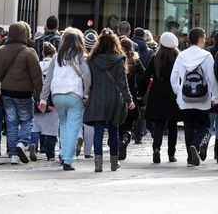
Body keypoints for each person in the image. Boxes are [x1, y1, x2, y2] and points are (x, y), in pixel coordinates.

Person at [0, 22, 42, 164]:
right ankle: (22, 143)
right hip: (24, 93)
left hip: (6, 92)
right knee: (27, 120)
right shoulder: (29, 52)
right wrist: (40, 96)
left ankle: (13, 155)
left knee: (11, 123)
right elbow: (36, 77)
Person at [39, 28, 91, 170]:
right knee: (73, 126)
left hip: (57, 96)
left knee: (63, 124)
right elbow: (87, 76)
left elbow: (48, 79)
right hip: (74, 95)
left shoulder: (56, 57)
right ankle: (68, 159)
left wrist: (43, 99)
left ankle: (62, 153)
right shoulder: (81, 56)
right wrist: (86, 93)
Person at [83, 28, 135, 172]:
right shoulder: (119, 59)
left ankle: (98, 164)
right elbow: (122, 83)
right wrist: (129, 100)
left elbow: (88, 80)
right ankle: (113, 162)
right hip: (113, 99)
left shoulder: (91, 60)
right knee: (114, 130)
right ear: (114, 43)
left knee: (98, 131)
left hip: (97, 98)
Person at [170, 27, 218, 167]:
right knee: (205, 126)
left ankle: (190, 159)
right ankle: (195, 146)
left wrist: (178, 92)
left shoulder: (181, 55)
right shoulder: (206, 56)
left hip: (185, 98)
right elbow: (212, 78)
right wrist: (215, 95)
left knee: (188, 126)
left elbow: (174, 77)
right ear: (200, 39)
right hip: (203, 99)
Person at [138, 32, 182, 163]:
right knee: (173, 125)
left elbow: (145, 77)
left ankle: (156, 149)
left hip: (157, 93)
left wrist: (140, 92)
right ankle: (171, 154)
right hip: (173, 93)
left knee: (159, 123)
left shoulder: (155, 58)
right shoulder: (178, 58)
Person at [31, 41, 59, 162]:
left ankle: (33, 144)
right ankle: (50, 153)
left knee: (35, 125)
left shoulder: (37, 65)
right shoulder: (55, 66)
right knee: (51, 129)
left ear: (42, 53)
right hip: (51, 101)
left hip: (38, 100)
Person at [118, 37, 145, 160]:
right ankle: (125, 138)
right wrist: (140, 90)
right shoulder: (135, 60)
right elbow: (144, 74)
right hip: (132, 95)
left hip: (118, 95)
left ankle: (119, 142)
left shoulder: (116, 59)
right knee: (128, 124)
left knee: (118, 123)